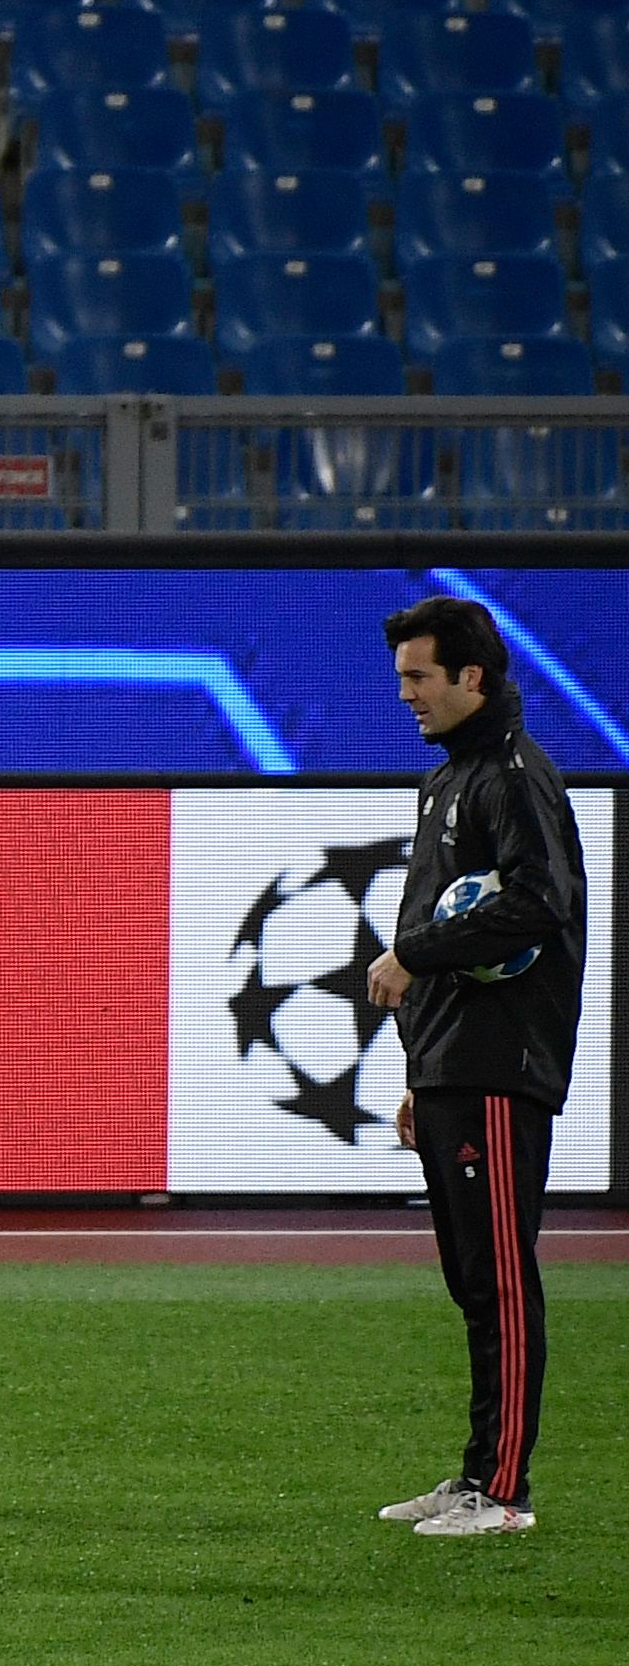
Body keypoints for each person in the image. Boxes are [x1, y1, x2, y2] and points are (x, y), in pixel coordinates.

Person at [360, 594, 587, 1541]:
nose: (403, 691)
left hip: (501, 1064)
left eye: (417, 676)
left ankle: (502, 1490)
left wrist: (413, 952)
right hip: (457, 1061)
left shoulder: (513, 775)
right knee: (471, 1276)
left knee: (497, 1275)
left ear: (470, 676)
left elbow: (540, 901)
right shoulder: (446, 780)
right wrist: (423, 1066)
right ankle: (477, 1474)